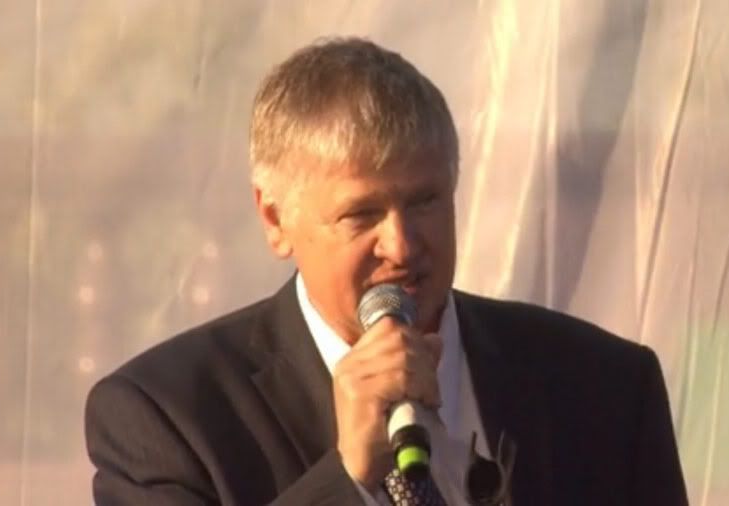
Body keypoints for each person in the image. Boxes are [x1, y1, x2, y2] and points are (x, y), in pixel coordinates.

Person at [84, 37, 688, 505]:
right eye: (362, 214)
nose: (400, 245)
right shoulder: (166, 418)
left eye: (425, 201)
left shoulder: (604, 387)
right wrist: (348, 475)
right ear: (275, 219)